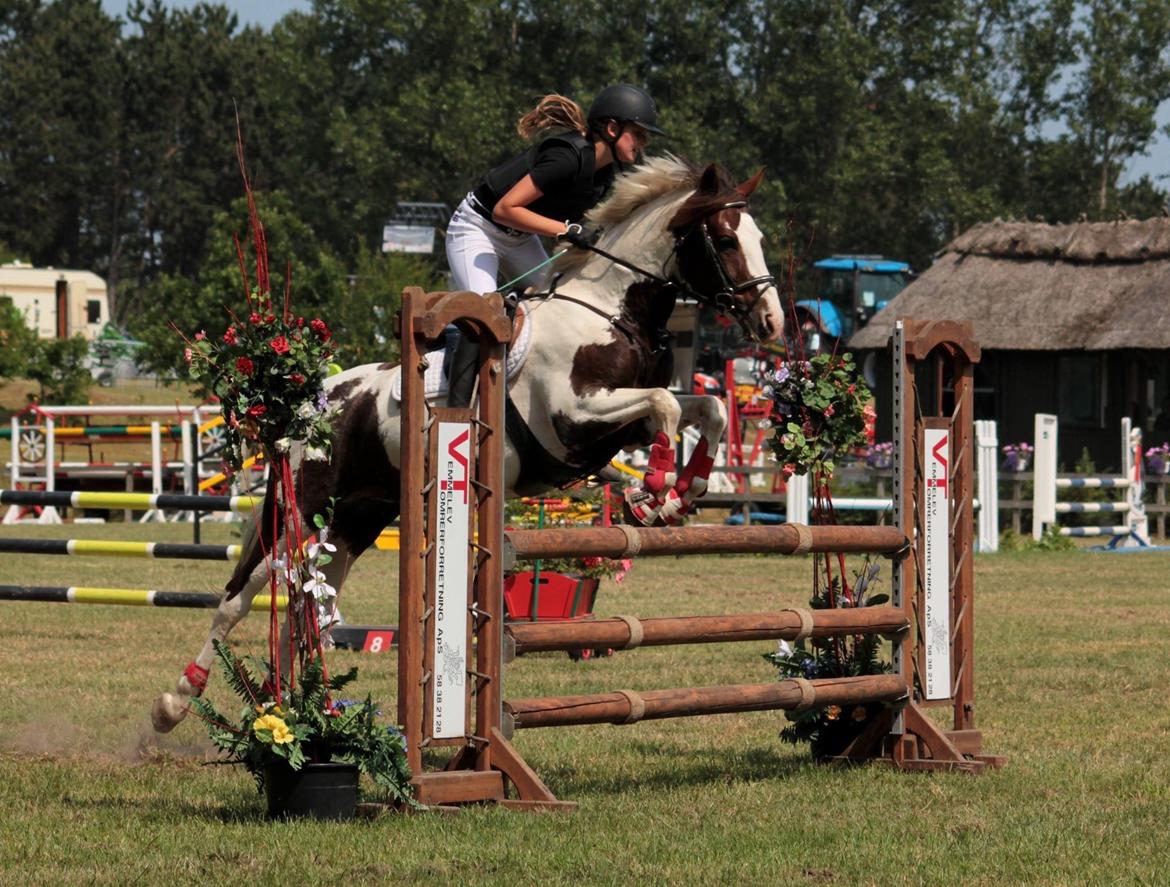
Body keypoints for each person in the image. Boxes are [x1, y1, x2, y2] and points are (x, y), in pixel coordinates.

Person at [443, 84, 665, 406]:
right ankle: (457, 409)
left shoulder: (603, 175)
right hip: (476, 228)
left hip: (520, 238)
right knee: (485, 313)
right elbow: (505, 209)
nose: (644, 144)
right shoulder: (566, 157)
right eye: (639, 134)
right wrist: (566, 230)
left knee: (558, 301)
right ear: (613, 129)